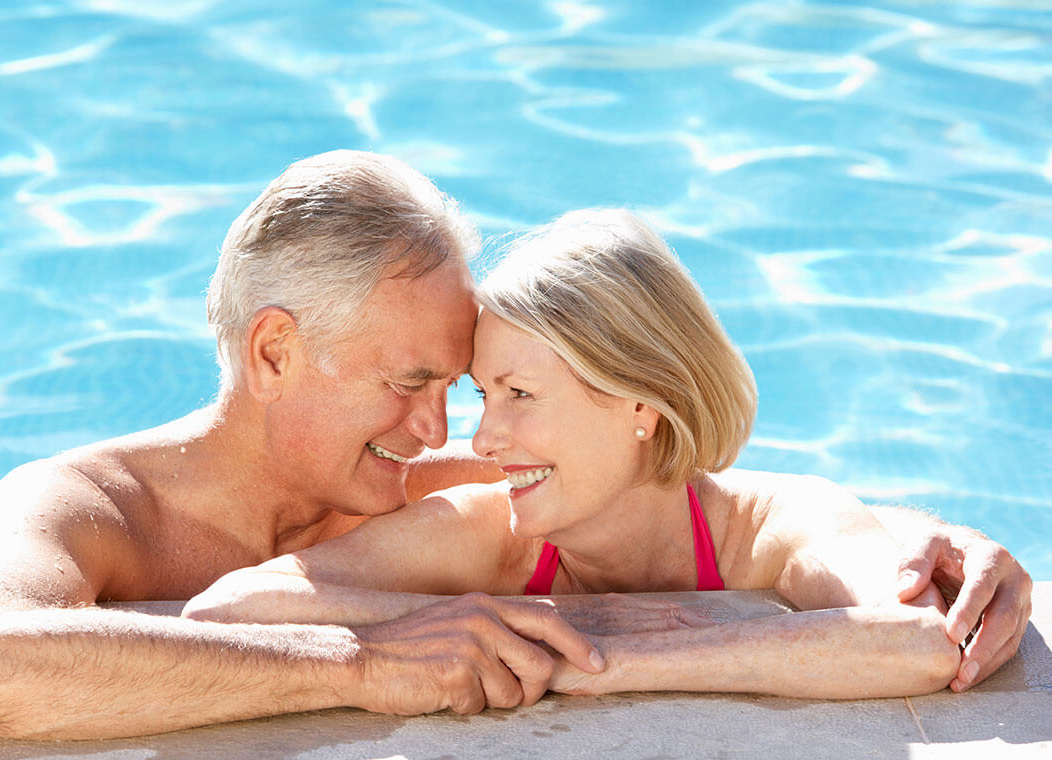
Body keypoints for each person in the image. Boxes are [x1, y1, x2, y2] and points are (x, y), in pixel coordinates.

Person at [0, 153, 1031, 739]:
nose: (446, 430)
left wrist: (921, 535)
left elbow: (679, 486)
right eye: (413, 383)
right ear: (272, 354)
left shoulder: (449, 487)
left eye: (460, 388)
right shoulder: (84, 507)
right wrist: (362, 670)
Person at [183, 208, 1033, 700]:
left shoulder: (776, 524)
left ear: (639, 404)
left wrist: (622, 659)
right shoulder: (491, 532)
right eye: (486, 395)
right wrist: (514, 626)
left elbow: (923, 642)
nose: (480, 440)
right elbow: (231, 610)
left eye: (519, 395)